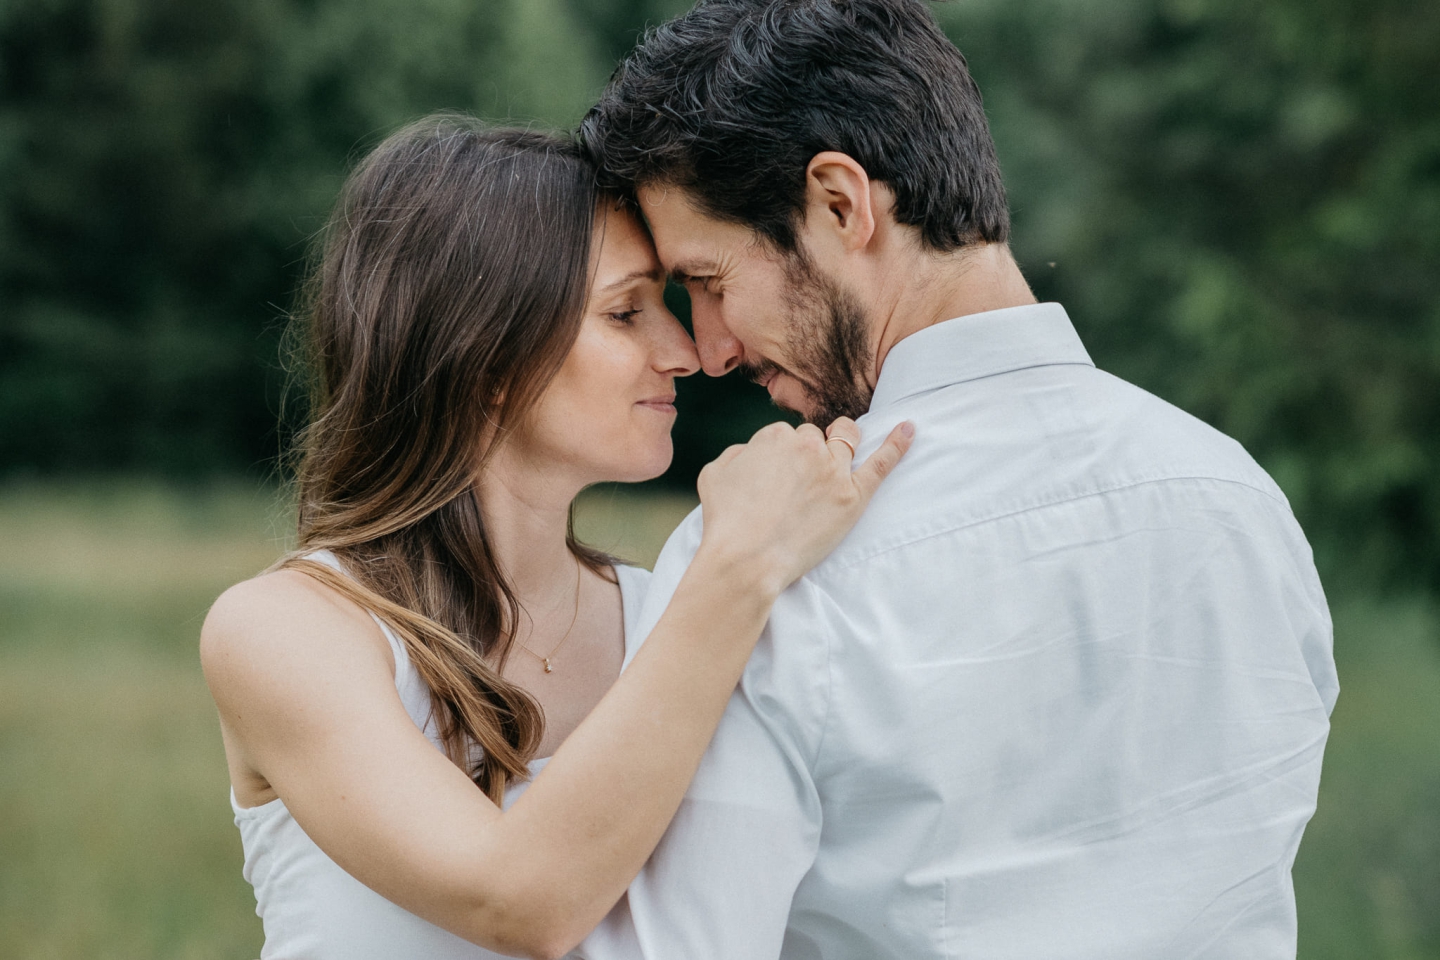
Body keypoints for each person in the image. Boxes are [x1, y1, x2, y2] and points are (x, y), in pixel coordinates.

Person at [575, 1, 1338, 958]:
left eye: (712, 281)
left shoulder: (762, 564)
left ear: (841, 204)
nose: (713, 349)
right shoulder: (1239, 500)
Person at [199, 115, 912, 960]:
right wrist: (744, 559)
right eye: (626, 312)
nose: (685, 350)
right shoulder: (287, 631)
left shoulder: (667, 615)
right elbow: (517, 903)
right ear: (489, 358)